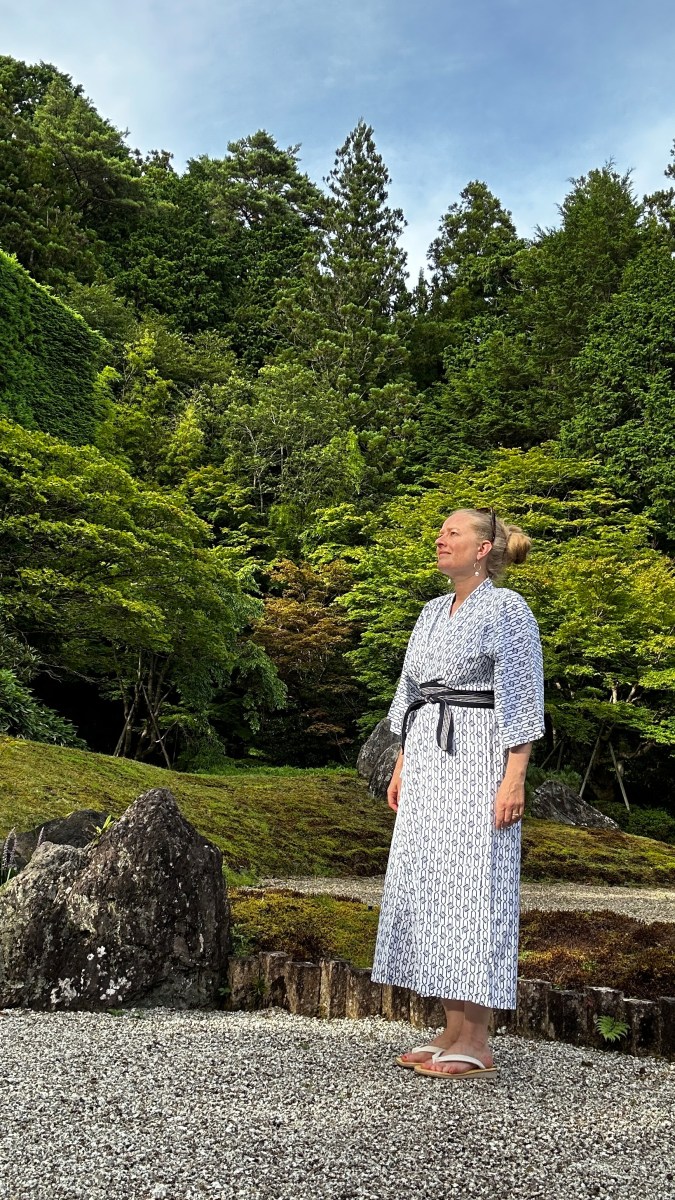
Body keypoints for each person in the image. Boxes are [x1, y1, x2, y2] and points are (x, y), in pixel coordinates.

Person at [370, 507, 545, 1080]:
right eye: (441, 530)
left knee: (475, 887)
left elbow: (522, 694)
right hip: (428, 755)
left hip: (479, 756)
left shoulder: (507, 609)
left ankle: (477, 1039)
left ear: (483, 549)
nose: (440, 538)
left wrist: (514, 776)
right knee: (432, 886)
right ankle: (450, 1028)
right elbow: (410, 690)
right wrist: (402, 762)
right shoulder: (430, 612)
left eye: (453, 532)